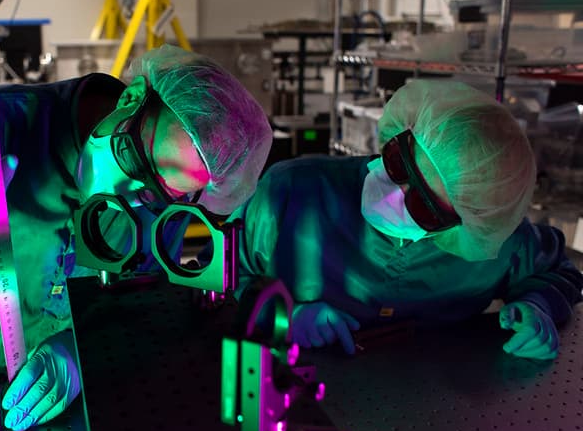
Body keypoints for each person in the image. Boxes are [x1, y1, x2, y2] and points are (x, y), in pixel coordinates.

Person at [0, 44, 273, 431]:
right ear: (131, 98)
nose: (125, 198)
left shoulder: (184, 212)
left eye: (155, 194)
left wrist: (86, 351)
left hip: (88, 413)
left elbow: (183, 311)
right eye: (134, 160)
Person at [228, 79, 582, 360]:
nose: (392, 192)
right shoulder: (290, 193)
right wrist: (282, 317)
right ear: (401, 134)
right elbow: (218, 283)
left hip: (433, 410)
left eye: (424, 205)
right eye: (399, 163)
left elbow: (558, 272)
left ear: (467, 227)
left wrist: (538, 308)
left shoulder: (496, 242)